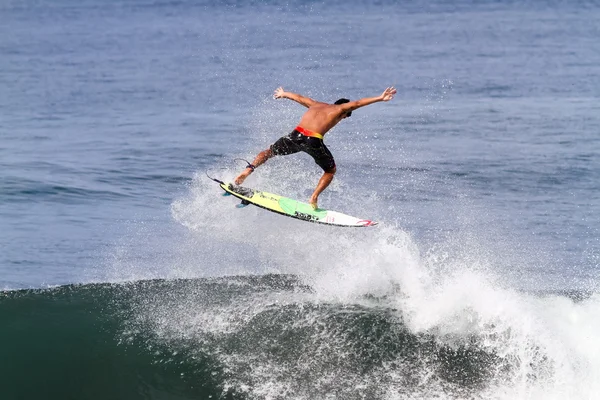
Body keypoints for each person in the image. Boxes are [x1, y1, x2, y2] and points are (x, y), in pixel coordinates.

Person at [234, 86, 397, 209]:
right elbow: (358, 103)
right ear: (345, 110)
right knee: (330, 171)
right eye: (346, 116)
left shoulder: (316, 105)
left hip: (296, 135)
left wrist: (284, 94)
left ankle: (248, 170)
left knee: (269, 152)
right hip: (313, 140)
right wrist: (380, 98)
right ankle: (313, 198)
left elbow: (299, 97)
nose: (343, 118)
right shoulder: (340, 109)